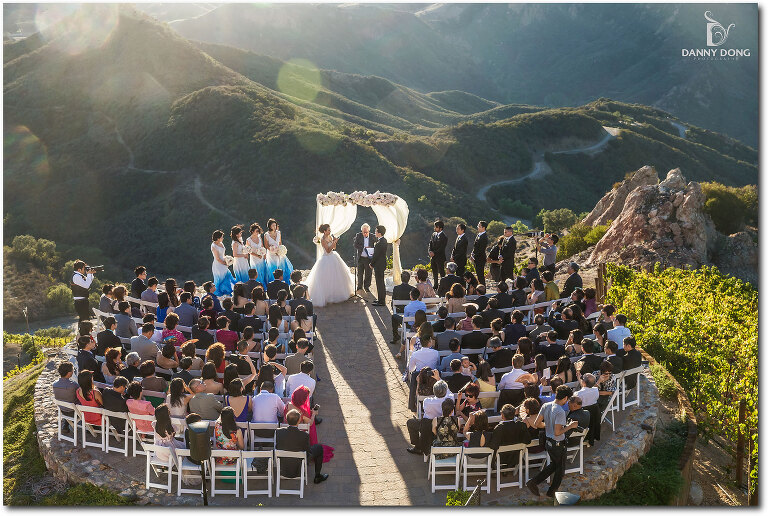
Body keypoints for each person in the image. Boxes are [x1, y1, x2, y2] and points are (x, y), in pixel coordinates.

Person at [526, 385, 579, 498]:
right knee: (560, 470)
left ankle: (534, 483)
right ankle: (550, 491)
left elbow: (536, 424)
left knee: (555, 465)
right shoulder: (560, 411)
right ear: (565, 398)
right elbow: (558, 432)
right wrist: (570, 426)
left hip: (548, 442)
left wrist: (548, 425)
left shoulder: (546, 405)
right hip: (558, 443)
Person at [275, 409, 329, 484]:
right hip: (298, 469)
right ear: (299, 421)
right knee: (319, 448)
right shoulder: (304, 435)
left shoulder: (278, 432)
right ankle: (317, 476)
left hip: (284, 468)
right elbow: (307, 452)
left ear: (287, 420)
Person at [406, 379, 452, 455]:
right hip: (443, 425)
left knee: (410, 422)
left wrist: (418, 382)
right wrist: (438, 378)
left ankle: (418, 446)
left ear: (434, 391)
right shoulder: (450, 399)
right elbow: (449, 392)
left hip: (428, 426)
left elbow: (421, 404)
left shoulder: (427, 401)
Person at [488, 403, 532, 468]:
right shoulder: (521, 425)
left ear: (502, 415)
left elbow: (493, 446)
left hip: (501, 459)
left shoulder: (499, 428)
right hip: (516, 458)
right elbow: (528, 441)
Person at [264, 218, 294, 286]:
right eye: (273, 225)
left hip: (279, 252)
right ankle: (274, 283)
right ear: (269, 226)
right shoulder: (266, 234)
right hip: (271, 253)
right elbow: (266, 245)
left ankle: (284, 282)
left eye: (275, 225)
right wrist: (272, 250)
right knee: (273, 268)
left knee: (283, 266)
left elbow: (280, 242)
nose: (274, 227)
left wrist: (280, 250)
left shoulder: (278, 232)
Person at [211, 229, 236, 296]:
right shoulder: (213, 246)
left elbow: (223, 255)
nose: (223, 238)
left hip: (224, 263)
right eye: (222, 237)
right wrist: (225, 263)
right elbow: (217, 258)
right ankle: (218, 294)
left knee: (227, 277)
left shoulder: (221, 243)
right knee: (220, 279)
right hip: (218, 265)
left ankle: (227, 292)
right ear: (218, 238)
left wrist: (227, 260)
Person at [369, 225, 389, 306]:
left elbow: (376, 255)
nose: (375, 232)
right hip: (382, 264)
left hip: (378, 265)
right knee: (381, 283)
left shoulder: (379, 243)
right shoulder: (384, 240)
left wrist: (371, 264)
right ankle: (381, 299)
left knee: (379, 283)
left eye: (376, 231)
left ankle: (381, 301)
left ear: (379, 233)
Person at [246, 223, 269, 290]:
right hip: (254, 258)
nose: (257, 232)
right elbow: (249, 251)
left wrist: (264, 255)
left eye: (258, 231)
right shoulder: (248, 240)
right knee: (256, 272)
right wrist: (257, 255)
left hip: (261, 258)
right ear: (252, 231)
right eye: (256, 231)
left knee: (263, 272)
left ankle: (263, 287)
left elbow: (262, 247)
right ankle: (257, 287)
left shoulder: (259, 238)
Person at [353, 222, 374, 293]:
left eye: (366, 232)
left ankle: (367, 287)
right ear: (361, 231)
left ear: (369, 231)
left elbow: (377, 244)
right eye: (363, 232)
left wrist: (370, 249)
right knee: (360, 273)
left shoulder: (372, 236)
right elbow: (355, 245)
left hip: (368, 258)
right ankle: (359, 286)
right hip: (361, 257)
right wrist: (363, 248)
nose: (365, 234)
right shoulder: (358, 235)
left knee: (368, 273)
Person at [428, 220, 448, 287]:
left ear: (440, 228)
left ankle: (444, 285)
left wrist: (434, 253)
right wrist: (430, 251)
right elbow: (430, 244)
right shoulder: (433, 234)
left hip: (440, 257)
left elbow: (441, 248)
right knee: (434, 272)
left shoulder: (444, 237)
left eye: (436, 227)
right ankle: (435, 285)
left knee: (441, 272)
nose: (434, 228)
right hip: (433, 257)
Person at [470, 221, 489, 285]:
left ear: (483, 228)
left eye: (479, 226)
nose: (477, 227)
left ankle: (482, 288)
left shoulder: (484, 237)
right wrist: (472, 254)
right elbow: (475, 247)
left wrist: (474, 256)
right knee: (478, 274)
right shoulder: (479, 235)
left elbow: (481, 249)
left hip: (480, 258)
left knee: (480, 275)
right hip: (476, 258)